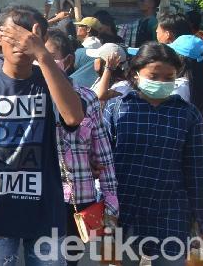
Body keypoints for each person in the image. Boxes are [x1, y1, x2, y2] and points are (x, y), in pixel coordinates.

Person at [0, 4, 85, 266]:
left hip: (45, 212)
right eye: (14, 34)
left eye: (31, 36)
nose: (22, 42)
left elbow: (73, 117)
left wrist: (43, 56)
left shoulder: (50, 79)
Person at [103, 42, 203, 264]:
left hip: (171, 210)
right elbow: (103, 163)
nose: (161, 83)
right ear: (136, 73)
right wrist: (104, 206)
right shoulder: (117, 108)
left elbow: (196, 172)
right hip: (124, 208)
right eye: (154, 76)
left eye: (168, 77)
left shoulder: (187, 115)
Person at [45, 30, 119, 266]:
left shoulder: (87, 98)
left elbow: (103, 152)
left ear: (67, 61)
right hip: (40, 195)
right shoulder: (31, 96)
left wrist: (110, 198)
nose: (41, 61)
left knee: (70, 260)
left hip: (79, 197)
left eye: (48, 55)